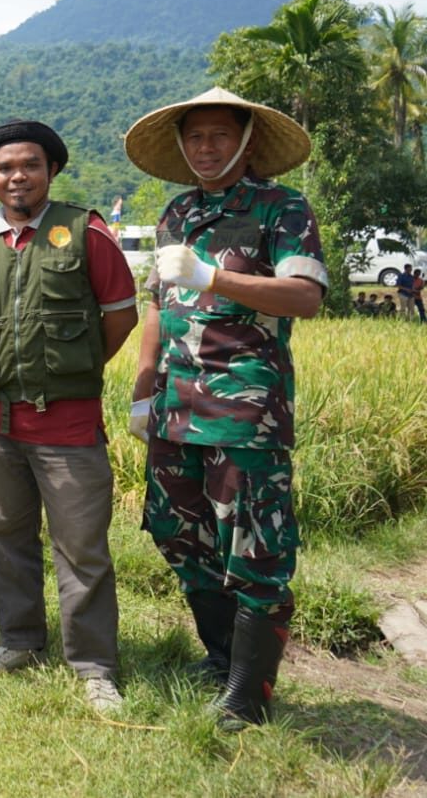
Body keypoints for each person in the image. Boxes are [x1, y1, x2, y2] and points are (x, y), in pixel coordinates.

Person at [124, 87, 326, 729]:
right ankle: (219, 660)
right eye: (194, 137)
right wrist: (141, 386)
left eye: (217, 136)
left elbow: (302, 295)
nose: (205, 148)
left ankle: (249, 694)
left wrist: (213, 277)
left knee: (256, 549)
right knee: (178, 534)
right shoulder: (177, 212)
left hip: (245, 413)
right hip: (174, 408)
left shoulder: (281, 209)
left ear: (244, 141)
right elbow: (158, 305)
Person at [0, 120, 135, 713]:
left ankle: (94, 664)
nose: (16, 176)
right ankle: (19, 640)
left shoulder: (85, 232)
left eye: (28, 165)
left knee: (82, 548)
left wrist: (72, 368)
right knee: (8, 538)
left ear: (51, 171)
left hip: (68, 426)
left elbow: (119, 315)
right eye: (4, 168)